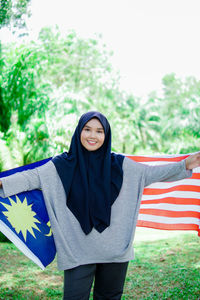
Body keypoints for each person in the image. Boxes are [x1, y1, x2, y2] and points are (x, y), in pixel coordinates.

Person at [0, 111, 200, 300]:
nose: (92, 135)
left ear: (106, 135)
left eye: (99, 131)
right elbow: (29, 178)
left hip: (116, 253)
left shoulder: (122, 165)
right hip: (76, 253)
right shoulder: (59, 166)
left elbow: (152, 173)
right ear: (79, 131)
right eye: (87, 129)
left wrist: (185, 164)